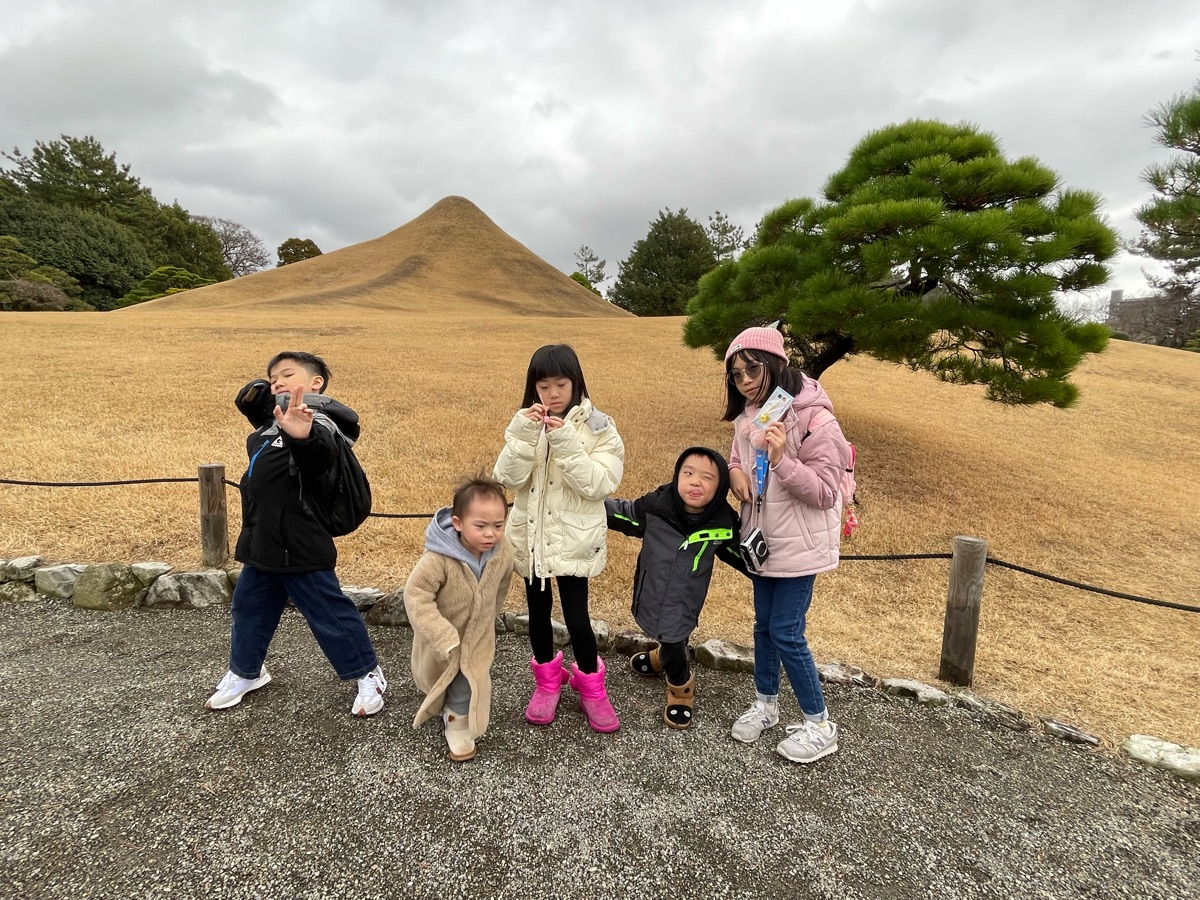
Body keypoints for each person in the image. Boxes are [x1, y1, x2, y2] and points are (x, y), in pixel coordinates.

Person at [206, 351, 386, 716]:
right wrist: (263, 409)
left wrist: (302, 436)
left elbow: (318, 456)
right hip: (262, 541)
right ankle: (246, 673)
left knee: (329, 613)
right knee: (249, 609)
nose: (278, 383)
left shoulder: (319, 422)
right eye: (273, 379)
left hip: (301, 544)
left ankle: (367, 672)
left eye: (288, 375)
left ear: (316, 383)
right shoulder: (272, 426)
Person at [723, 326, 851, 763]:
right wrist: (734, 473)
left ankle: (819, 723)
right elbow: (738, 459)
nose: (745, 381)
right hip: (762, 539)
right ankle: (766, 704)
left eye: (752, 369)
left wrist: (782, 460)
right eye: (736, 375)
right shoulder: (750, 416)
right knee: (762, 626)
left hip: (799, 544)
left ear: (776, 363)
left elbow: (825, 492)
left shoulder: (816, 417)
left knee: (786, 632)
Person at [493, 344, 625, 733]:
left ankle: (592, 687)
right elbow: (508, 479)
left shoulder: (599, 426)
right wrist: (522, 435)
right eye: (543, 385)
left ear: (576, 382)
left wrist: (565, 440)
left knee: (577, 615)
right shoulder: (526, 424)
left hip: (573, 540)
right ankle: (547, 683)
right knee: (537, 612)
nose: (552, 394)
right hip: (532, 538)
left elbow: (600, 483)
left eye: (560, 384)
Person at [606, 447, 747, 729]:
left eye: (708, 477)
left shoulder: (722, 524)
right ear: (677, 476)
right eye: (689, 473)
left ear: (720, 488)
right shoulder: (658, 507)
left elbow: (743, 557)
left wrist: (775, 568)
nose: (696, 482)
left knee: (673, 635)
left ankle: (680, 688)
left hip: (686, 599)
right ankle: (663, 657)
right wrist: (587, 507)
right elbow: (627, 515)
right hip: (651, 588)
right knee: (666, 633)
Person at [403, 475, 513, 762]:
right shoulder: (438, 559)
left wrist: (489, 616)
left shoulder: (502, 554)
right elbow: (416, 594)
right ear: (458, 523)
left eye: (498, 526)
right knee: (436, 676)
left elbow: (501, 585)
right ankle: (440, 700)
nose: (490, 534)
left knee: (470, 676)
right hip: (441, 634)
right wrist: (441, 634)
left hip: (477, 636)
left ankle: (457, 720)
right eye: (481, 526)